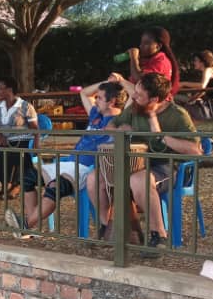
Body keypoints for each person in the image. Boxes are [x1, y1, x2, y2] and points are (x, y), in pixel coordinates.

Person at [84, 72, 201, 256]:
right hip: (134, 162)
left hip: (165, 165)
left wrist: (162, 137)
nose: (134, 97)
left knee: (138, 180)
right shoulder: (134, 108)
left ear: (154, 99)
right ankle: (108, 228)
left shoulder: (177, 115)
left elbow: (196, 150)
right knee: (93, 179)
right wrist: (121, 129)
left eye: (139, 95)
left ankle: (159, 235)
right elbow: (110, 126)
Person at [6, 80, 126, 239]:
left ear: (112, 102)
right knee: (27, 177)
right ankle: (29, 228)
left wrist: (122, 82)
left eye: (100, 98)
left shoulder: (120, 121)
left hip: (87, 168)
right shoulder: (96, 114)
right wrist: (107, 82)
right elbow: (84, 93)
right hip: (69, 162)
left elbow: (130, 103)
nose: (96, 100)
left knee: (55, 188)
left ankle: (25, 226)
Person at [0, 77, 41, 198]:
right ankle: (6, 186)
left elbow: (35, 129)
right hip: (4, 142)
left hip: (21, 141)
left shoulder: (25, 106)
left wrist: (36, 145)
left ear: (10, 90)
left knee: (15, 155)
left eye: (1, 88)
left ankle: (16, 185)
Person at [126, 27, 180, 96]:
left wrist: (133, 57)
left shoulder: (161, 62)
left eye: (146, 43)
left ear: (158, 46)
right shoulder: (151, 58)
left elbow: (139, 80)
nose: (140, 46)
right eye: (141, 42)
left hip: (152, 101)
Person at [177, 50, 213, 121]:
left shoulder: (208, 70)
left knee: (178, 100)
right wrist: (192, 99)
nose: (194, 63)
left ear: (202, 62)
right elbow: (202, 91)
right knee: (185, 105)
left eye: (196, 60)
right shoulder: (211, 70)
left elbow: (202, 86)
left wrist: (183, 83)